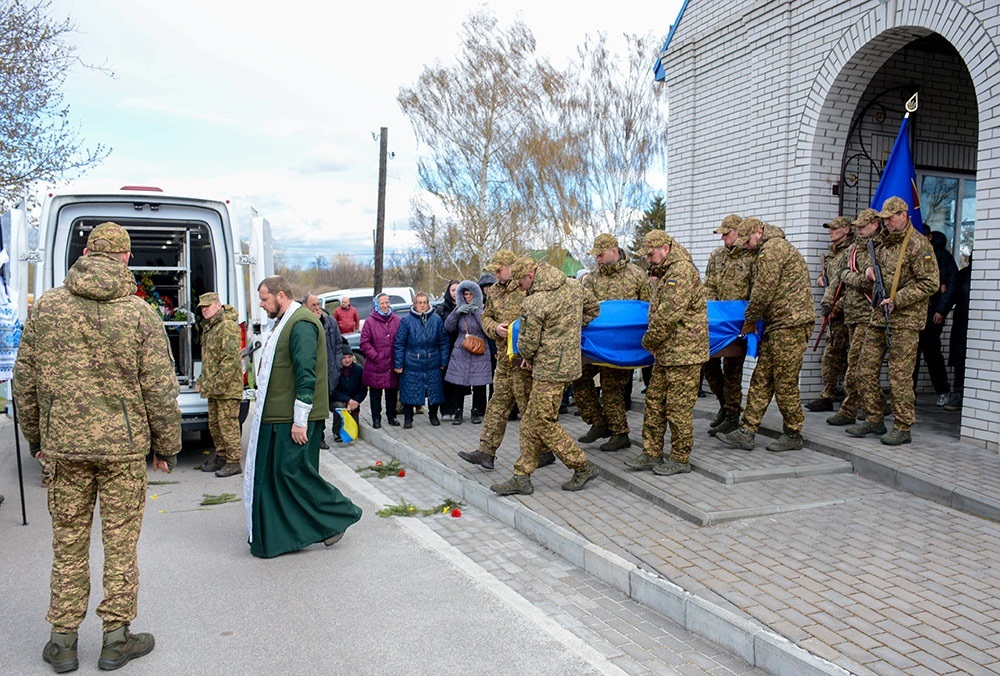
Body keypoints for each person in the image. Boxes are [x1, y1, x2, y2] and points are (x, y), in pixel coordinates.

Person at [13, 221, 181, 672]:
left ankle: (63, 642)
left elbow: (23, 382)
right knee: (120, 544)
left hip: (64, 450)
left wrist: (37, 439)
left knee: (68, 544)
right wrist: (165, 446)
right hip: (123, 453)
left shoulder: (47, 308)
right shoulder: (140, 314)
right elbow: (161, 389)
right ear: (125, 258)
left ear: (86, 251)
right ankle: (115, 638)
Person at [244, 275, 362, 558]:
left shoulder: (302, 324)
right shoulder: (285, 322)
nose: (261, 305)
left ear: (281, 295)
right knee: (277, 479)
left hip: (292, 418)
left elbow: (306, 375)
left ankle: (339, 514)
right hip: (276, 416)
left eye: (264, 299)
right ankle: (282, 535)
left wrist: (300, 420)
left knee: (293, 474)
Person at [490, 257, 601, 495]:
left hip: (548, 369)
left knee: (542, 421)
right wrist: (570, 328)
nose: (520, 288)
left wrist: (528, 356)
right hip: (569, 364)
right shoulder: (573, 286)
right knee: (531, 421)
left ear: (530, 275)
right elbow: (594, 308)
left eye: (520, 283)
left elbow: (528, 346)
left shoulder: (535, 302)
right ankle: (522, 475)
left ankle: (581, 466)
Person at [716, 217, 816, 452]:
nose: (745, 246)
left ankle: (793, 432)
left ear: (759, 232)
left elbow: (762, 291)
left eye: (747, 240)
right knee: (761, 378)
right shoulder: (769, 248)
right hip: (778, 324)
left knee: (784, 381)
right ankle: (747, 431)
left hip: (791, 324)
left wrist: (749, 321)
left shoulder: (772, 250)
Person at [845, 197, 939, 445]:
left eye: (890, 218)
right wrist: (867, 270)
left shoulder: (918, 245)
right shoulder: (881, 242)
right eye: (884, 218)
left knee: (899, 376)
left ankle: (902, 425)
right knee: (863, 370)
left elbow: (931, 283)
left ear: (904, 215)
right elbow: (868, 263)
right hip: (878, 316)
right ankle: (875, 418)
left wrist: (899, 298)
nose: (886, 222)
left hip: (905, 320)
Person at [459, 250, 553, 471]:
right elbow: (486, 317)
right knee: (497, 405)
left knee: (528, 408)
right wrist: (496, 329)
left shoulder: (527, 289)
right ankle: (486, 451)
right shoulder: (495, 292)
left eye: (499, 270)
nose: (496, 274)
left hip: (523, 359)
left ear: (511, 267)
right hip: (504, 358)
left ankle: (544, 451)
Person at [625, 230, 709, 476]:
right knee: (654, 404)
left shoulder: (680, 272)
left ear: (665, 248)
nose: (649, 260)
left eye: (651, 254)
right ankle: (651, 452)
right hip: (667, 352)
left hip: (685, 354)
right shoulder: (665, 272)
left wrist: (648, 342)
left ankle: (681, 458)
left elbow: (668, 315)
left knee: (678, 408)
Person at [573, 233, 650, 452]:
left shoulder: (637, 275)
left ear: (614, 251)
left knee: (611, 389)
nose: (597, 259)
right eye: (595, 255)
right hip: (594, 345)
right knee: (578, 379)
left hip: (621, 347)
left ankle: (620, 433)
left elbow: (647, 309)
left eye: (600, 254)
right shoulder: (590, 278)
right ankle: (598, 422)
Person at [827, 209, 884, 426]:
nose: (859, 230)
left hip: (868, 314)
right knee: (854, 363)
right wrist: (830, 303)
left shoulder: (878, 248)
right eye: (857, 226)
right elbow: (840, 279)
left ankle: (854, 408)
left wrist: (847, 276)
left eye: (863, 226)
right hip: (851, 313)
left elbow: (865, 282)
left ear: (875, 225)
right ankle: (868, 405)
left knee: (858, 365)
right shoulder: (853, 248)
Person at [701, 214, 753, 437]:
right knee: (708, 363)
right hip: (717, 321)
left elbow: (755, 290)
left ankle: (732, 414)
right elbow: (709, 285)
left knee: (733, 369)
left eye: (726, 233)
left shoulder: (751, 257)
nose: (722, 237)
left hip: (738, 324)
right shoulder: (716, 256)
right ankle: (725, 404)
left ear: (738, 232)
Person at [805, 216, 855, 412]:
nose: (831, 231)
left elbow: (850, 286)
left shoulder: (851, 251)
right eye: (830, 228)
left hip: (844, 311)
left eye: (835, 228)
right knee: (833, 354)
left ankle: (834, 395)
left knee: (837, 355)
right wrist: (821, 277)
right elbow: (833, 279)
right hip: (831, 311)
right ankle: (830, 392)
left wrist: (837, 307)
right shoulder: (834, 253)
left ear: (846, 229)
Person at [196, 291, 245, 477]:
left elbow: (230, 360)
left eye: (208, 306)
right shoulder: (210, 328)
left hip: (226, 388)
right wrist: (203, 380)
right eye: (202, 308)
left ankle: (233, 462)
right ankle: (221, 457)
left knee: (228, 425)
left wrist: (218, 384)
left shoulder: (227, 327)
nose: (205, 310)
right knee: (215, 425)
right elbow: (209, 359)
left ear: (218, 304)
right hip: (214, 387)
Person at [913, 231, 958, 405]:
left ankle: (943, 390)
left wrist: (941, 310)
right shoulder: (917, 254)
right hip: (916, 313)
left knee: (932, 354)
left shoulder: (943, 257)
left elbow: (951, 286)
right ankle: (909, 394)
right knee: (911, 356)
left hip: (933, 315)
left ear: (929, 236)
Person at [394, 292, 449, 427]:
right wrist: (399, 363)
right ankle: (408, 418)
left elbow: (443, 342)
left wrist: (443, 361)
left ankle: (433, 415)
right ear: (415, 304)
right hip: (412, 362)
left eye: (425, 302)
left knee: (434, 391)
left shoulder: (436, 320)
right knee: (410, 391)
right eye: (420, 303)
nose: (423, 305)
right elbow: (399, 343)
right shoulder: (406, 321)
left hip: (432, 361)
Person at [443, 280, 492, 424]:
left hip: (480, 349)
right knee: (459, 383)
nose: (468, 297)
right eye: (465, 294)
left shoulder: (483, 309)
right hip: (461, 350)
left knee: (479, 384)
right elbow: (448, 327)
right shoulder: (459, 309)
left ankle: (476, 412)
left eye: (471, 294)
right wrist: (457, 312)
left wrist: (476, 311)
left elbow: (486, 328)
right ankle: (458, 412)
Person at [304, 293, 344, 449]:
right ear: (305, 307)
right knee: (312, 407)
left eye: (318, 304)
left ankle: (321, 437)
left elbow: (338, 345)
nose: (317, 308)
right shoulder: (305, 324)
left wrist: (337, 365)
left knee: (323, 407)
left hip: (330, 373)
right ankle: (313, 437)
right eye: (313, 305)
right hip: (313, 373)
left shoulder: (330, 322)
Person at [360, 293, 401, 428]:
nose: (384, 306)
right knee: (375, 394)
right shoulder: (369, 322)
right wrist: (376, 356)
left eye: (386, 302)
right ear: (377, 305)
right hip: (375, 365)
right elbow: (364, 343)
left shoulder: (396, 320)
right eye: (381, 303)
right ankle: (376, 418)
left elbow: (400, 341)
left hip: (392, 364)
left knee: (392, 393)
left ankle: (392, 416)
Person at [943, 255, 972, 411]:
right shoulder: (963, 275)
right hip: (961, 321)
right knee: (960, 357)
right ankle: (959, 392)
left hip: (966, 322)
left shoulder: (964, 275)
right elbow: (951, 294)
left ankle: (961, 393)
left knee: (962, 357)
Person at [434, 280, 460, 418]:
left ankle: (457, 409)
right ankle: (445, 409)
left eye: (458, 290)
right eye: (453, 290)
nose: (455, 293)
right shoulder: (441, 309)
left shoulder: (466, 306)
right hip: (446, 348)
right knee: (445, 381)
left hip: (461, 349)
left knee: (458, 382)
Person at [330, 352, 367, 442]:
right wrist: (347, 400)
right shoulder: (335, 370)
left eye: (349, 357)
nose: (347, 360)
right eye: (344, 358)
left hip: (353, 402)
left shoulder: (359, 370)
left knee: (353, 432)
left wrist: (355, 402)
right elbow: (333, 391)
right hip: (337, 400)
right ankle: (336, 432)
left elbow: (363, 390)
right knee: (340, 407)